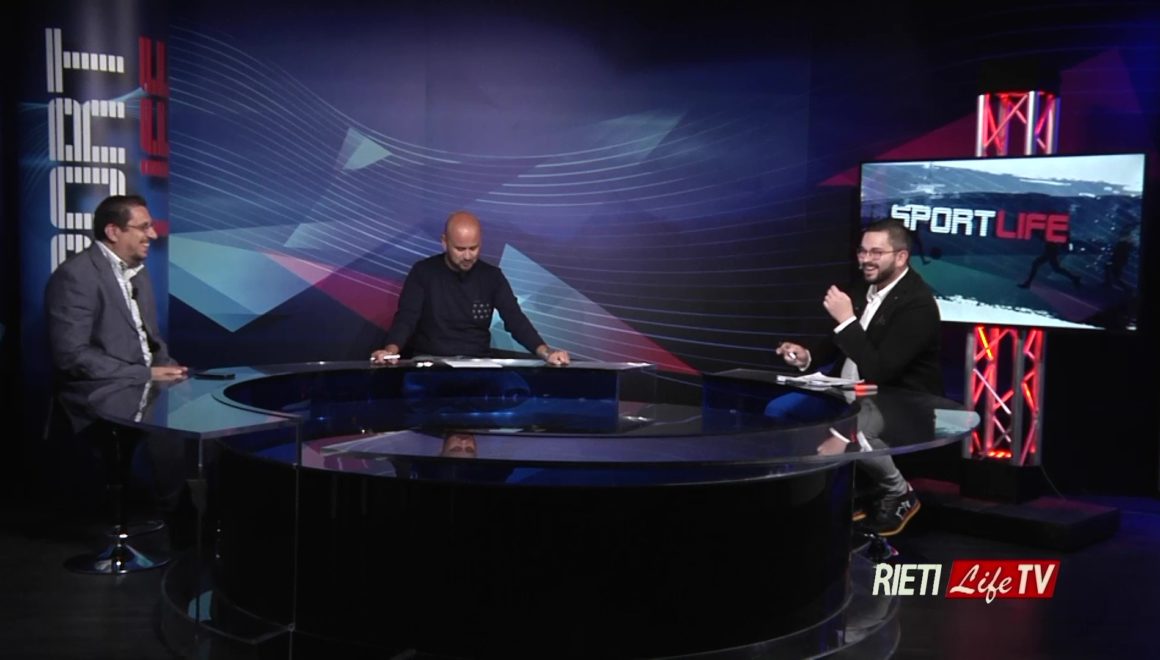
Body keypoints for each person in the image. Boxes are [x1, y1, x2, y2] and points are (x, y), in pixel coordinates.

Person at [774, 218, 942, 536]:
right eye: (862, 251)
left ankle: (898, 492)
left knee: (853, 432)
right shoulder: (864, 285)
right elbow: (839, 338)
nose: (866, 259)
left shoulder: (918, 304)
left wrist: (846, 320)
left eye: (876, 252)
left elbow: (881, 371)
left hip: (897, 400)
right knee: (781, 410)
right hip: (849, 392)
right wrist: (808, 357)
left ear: (901, 257)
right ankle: (830, 492)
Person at [45, 194, 191, 539]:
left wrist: (170, 369)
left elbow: (151, 340)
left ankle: (202, 520)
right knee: (166, 431)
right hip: (95, 391)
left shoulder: (138, 273)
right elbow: (71, 356)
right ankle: (181, 527)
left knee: (196, 410)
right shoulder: (76, 276)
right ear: (113, 231)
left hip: (141, 382)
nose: (152, 235)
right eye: (143, 227)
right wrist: (145, 374)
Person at [371, 211, 570, 365]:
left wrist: (546, 352)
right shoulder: (423, 272)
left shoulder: (492, 277)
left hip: (478, 363)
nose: (467, 256)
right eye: (460, 249)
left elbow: (515, 320)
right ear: (444, 242)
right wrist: (390, 351)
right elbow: (406, 318)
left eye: (473, 248)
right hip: (430, 362)